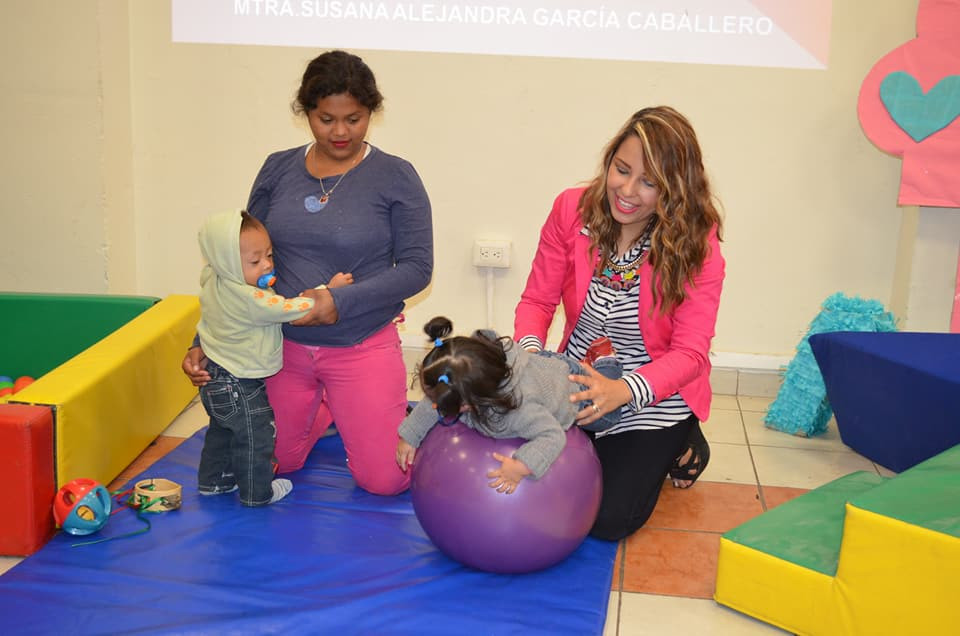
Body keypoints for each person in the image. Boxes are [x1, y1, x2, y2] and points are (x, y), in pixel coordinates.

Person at [183, 50, 433, 496]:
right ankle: (328, 408)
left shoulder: (396, 176)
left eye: (354, 119)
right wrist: (207, 342)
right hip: (278, 348)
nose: (340, 131)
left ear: (371, 112)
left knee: (385, 481)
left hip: (361, 344)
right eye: (326, 119)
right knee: (271, 462)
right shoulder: (278, 167)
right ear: (306, 114)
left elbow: (417, 268)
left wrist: (339, 302)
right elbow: (236, 262)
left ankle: (344, 403)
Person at [514, 106, 725, 540]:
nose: (626, 190)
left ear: (675, 191)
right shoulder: (571, 210)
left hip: (651, 393)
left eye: (648, 183)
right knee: (532, 480)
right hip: (575, 380)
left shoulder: (697, 243)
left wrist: (622, 391)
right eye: (621, 169)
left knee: (606, 520)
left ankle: (684, 437)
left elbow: (690, 353)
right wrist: (531, 359)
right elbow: (537, 299)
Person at [195, 209, 353, 505]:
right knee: (256, 436)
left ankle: (212, 481)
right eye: (255, 261)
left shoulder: (212, 279)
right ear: (227, 262)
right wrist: (327, 291)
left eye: (269, 255)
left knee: (222, 430)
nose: (267, 264)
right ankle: (258, 492)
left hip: (216, 377)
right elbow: (287, 308)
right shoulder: (249, 298)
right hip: (240, 382)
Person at [396, 316, 623, 494]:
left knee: (608, 417)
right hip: (538, 366)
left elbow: (552, 435)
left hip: (575, 388)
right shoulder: (467, 378)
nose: (434, 405)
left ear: (475, 399)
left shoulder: (519, 410)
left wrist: (522, 466)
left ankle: (606, 361)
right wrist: (410, 436)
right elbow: (435, 399)